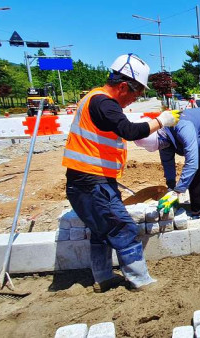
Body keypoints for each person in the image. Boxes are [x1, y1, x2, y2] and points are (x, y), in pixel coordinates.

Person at [62, 53, 180, 292]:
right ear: (124, 85)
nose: (133, 100)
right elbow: (128, 130)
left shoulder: (93, 99)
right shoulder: (103, 102)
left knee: (100, 230)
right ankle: (140, 281)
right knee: (124, 227)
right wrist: (161, 121)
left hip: (87, 181)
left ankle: (104, 278)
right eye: (135, 94)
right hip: (91, 182)